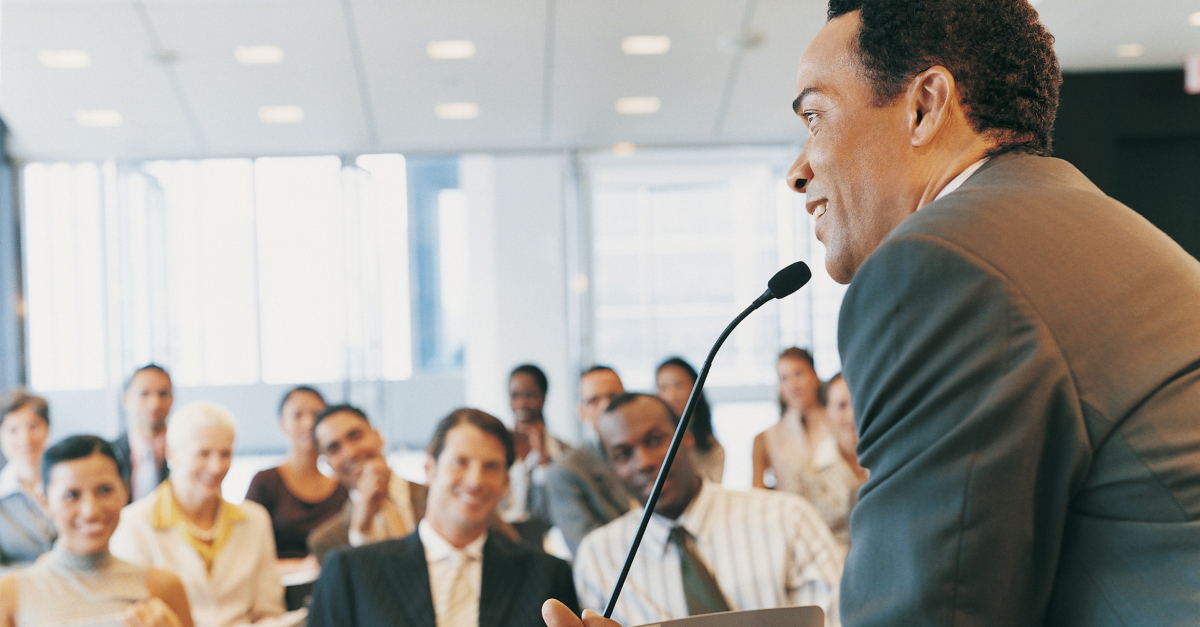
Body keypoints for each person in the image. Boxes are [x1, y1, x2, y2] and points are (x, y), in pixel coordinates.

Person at [546, 2, 1200, 626]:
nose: (797, 171)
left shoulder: (941, 262)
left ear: (925, 105)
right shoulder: (1087, 226)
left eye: (814, 119)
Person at [573, 394, 842, 626]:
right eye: (623, 455)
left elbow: (834, 620)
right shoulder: (598, 557)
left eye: (655, 440)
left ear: (687, 438)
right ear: (611, 470)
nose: (643, 462)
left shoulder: (788, 519)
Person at [308, 408, 580, 627]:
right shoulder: (348, 569)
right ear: (430, 468)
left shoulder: (546, 574)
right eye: (460, 462)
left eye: (491, 466)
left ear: (505, 482)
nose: (475, 481)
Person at [110, 402, 291, 627]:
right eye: (203, 453)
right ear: (171, 453)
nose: (216, 467)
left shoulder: (255, 519)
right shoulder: (134, 523)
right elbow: (136, 616)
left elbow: (269, 611)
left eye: (225, 454)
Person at [0, 434, 193, 627]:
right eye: (71, 495)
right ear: (43, 500)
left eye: (104, 490)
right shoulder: (10, 594)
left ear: (125, 490)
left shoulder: (163, 588)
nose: (90, 511)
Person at [306, 404, 426, 564]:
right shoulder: (327, 541)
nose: (350, 453)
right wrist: (360, 530)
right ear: (328, 464)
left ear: (378, 436)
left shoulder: (435, 497)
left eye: (355, 436)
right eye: (334, 448)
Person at [245, 386, 349, 560]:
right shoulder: (266, 482)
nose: (308, 424)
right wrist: (297, 568)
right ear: (282, 425)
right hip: (278, 583)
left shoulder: (343, 486)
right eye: (297, 415)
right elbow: (244, 551)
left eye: (316, 415)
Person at [546, 366, 633, 555]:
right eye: (594, 400)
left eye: (614, 396)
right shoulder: (566, 471)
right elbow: (587, 550)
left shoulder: (657, 455)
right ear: (581, 411)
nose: (606, 405)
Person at [794, 374, 866, 548]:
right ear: (826, 412)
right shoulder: (804, 472)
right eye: (841, 406)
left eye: (859, 403)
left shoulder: (896, 461)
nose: (852, 414)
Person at [504, 365, 571, 542]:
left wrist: (542, 458)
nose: (521, 404)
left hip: (541, 539)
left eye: (529, 395)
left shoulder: (563, 452)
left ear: (543, 397)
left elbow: (552, 512)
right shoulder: (496, 446)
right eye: (514, 396)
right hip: (500, 534)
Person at [752, 348, 832, 492]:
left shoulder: (839, 425)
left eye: (798, 374)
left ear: (815, 376)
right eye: (784, 378)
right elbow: (758, 496)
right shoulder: (764, 438)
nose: (793, 385)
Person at [0, 390, 55, 571]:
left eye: (33, 426)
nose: (25, 438)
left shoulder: (70, 483)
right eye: (13, 430)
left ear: (47, 428)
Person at [654, 357, 724, 482]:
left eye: (678, 386)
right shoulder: (647, 440)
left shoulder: (711, 447)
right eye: (663, 388)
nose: (671, 395)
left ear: (696, 389)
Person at [111, 365, 174, 502]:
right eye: (144, 393)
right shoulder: (109, 454)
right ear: (126, 398)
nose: (155, 403)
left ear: (172, 399)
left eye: (163, 393)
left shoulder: (188, 452)